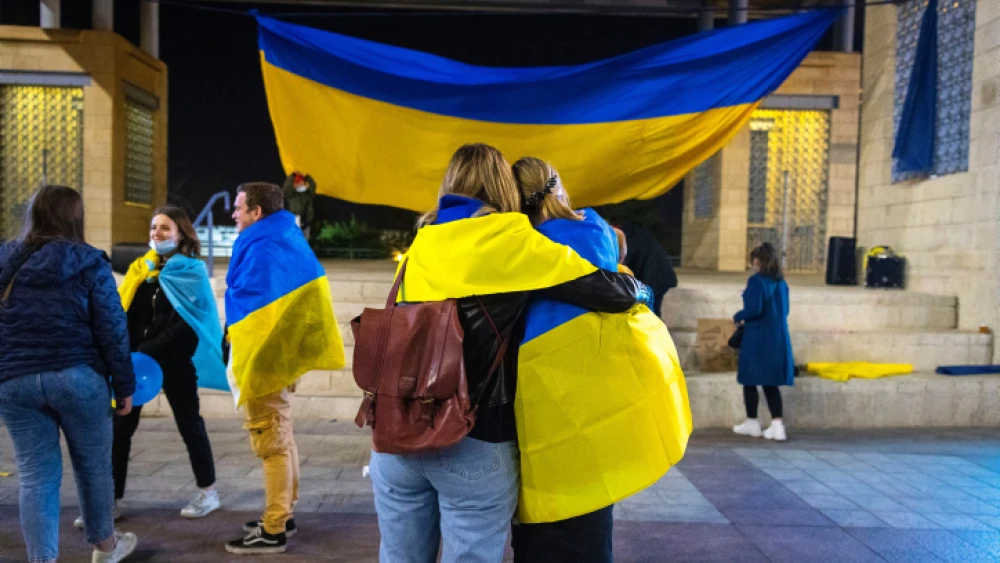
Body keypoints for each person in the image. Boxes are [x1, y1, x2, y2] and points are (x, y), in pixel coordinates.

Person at [369, 144, 648, 563]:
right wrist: (640, 287)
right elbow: (608, 291)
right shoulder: (508, 239)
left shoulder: (422, 242)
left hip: (395, 437)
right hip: (471, 438)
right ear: (503, 187)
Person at [510, 158, 691, 563]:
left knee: (539, 517)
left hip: (539, 395)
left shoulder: (519, 244)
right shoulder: (594, 229)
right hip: (595, 394)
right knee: (591, 518)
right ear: (558, 187)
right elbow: (618, 257)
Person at [0, 185, 138, 563]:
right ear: (76, 217)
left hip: (15, 380)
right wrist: (123, 384)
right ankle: (105, 548)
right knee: (93, 468)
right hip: (78, 376)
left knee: (35, 476)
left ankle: (42, 559)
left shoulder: (5, 259)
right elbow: (112, 328)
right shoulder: (89, 261)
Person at [224, 182, 345, 554]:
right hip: (281, 358)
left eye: (239, 207)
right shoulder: (283, 238)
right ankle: (285, 512)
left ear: (256, 212)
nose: (234, 214)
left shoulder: (263, 246)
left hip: (266, 361)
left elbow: (253, 305)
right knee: (282, 436)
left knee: (271, 442)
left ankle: (273, 526)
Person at [101, 207, 226, 524]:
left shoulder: (192, 272)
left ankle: (208, 493)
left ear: (181, 233)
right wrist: (124, 353)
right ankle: (110, 501)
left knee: (190, 426)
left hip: (174, 362)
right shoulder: (140, 269)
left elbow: (188, 323)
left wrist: (148, 351)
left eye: (165, 228)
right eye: (154, 227)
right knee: (120, 430)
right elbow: (124, 311)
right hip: (133, 364)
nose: (156, 233)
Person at [732, 242, 793, 441]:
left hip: (757, 337)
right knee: (770, 382)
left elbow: (753, 309)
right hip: (778, 337)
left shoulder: (756, 281)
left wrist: (737, 315)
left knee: (749, 380)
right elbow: (786, 310)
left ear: (758, 261)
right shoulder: (782, 283)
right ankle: (777, 425)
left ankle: (752, 422)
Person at [616, 222, 677, 318]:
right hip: (663, 276)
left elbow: (622, 260)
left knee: (649, 312)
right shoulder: (637, 235)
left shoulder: (629, 240)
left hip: (654, 277)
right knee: (652, 310)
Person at [282, 172, 316, 238]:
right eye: (297, 182)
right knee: (294, 239)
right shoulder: (291, 195)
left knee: (305, 241)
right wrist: (292, 176)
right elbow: (286, 187)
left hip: (306, 221)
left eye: (301, 182)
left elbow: (313, 185)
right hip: (294, 220)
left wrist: (307, 177)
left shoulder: (308, 194)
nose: (299, 184)